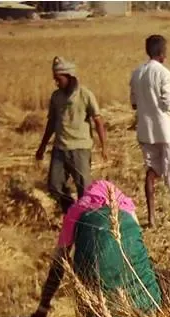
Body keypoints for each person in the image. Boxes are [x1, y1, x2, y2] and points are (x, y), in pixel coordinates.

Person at [19, 180, 162, 317]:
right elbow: (139, 253)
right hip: (140, 281)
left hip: (98, 280)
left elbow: (59, 265)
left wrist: (43, 308)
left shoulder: (77, 211)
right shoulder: (126, 205)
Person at [130, 34, 170, 228]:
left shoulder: (137, 73)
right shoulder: (164, 74)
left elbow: (133, 104)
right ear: (162, 53)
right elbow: (167, 104)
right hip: (165, 130)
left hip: (145, 131)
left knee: (151, 171)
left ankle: (152, 218)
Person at [36, 57, 107, 213]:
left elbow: (98, 120)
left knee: (84, 188)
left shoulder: (86, 95)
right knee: (54, 186)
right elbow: (51, 123)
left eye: (59, 79)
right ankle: (71, 211)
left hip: (80, 148)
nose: (56, 83)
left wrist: (103, 147)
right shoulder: (56, 97)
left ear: (69, 76)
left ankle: (85, 217)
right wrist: (42, 146)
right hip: (59, 148)